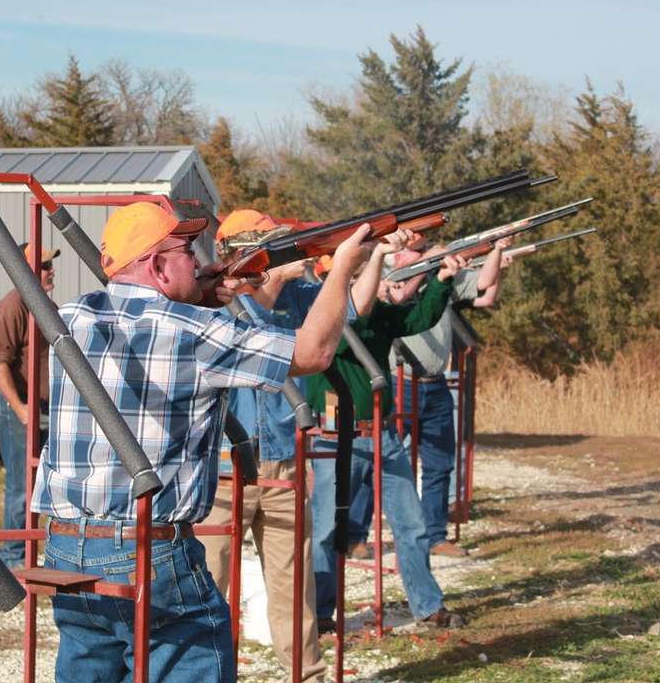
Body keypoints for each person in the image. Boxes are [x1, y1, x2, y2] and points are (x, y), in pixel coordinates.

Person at [30, 202, 371, 683]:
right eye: (186, 250)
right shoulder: (196, 332)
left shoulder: (73, 317)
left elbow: (149, 319)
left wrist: (201, 292)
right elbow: (313, 351)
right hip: (149, 548)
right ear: (156, 264)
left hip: (67, 545)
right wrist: (342, 271)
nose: (198, 259)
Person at [199, 210, 413, 682]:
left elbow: (352, 306)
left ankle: (307, 676)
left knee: (294, 589)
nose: (299, 249)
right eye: (284, 244)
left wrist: (374, 250)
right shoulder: (219, 307)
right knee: (208, 586)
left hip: (282, 467)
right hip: (220, 472)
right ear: (253, 256)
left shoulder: (296, 297)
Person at [308, 245, 469, 632]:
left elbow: (418, 318)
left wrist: (442, 281)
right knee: (327, 531)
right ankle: (321, 615)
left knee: (411, 524)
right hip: (334, 437)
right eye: (356, 273)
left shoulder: (376, 314)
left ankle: (428, 606)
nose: (368, 279)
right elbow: (347, 330)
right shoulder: (320, 316)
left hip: (382, 433)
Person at [350, 237, 510, 558]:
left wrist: (496, 248)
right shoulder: (390, 284)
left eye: (422, 251)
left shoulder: (440, 282)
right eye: (415, 251)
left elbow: (485, 285)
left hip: (435, 384)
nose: (418, 255)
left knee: (439, 464)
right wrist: (431, 265)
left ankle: (435, 535)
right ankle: (355, 535)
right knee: (376, 461)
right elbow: (399, 298)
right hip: (401, 384)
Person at [0, 242, 59, 568]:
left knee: (44, 484)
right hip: (20, 409)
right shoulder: (13, 306)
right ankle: (15, 557)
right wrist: (20, 409)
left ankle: (35, 550)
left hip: (41, 409)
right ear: (25, 270)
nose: (50, 271)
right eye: (44, 266)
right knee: (21, 485)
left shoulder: (45, 306)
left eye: (49, 265)